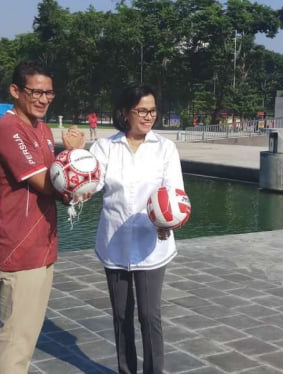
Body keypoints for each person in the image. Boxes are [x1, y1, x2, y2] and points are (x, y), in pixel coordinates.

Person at [0, 60, 84, 374]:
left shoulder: (40, 128)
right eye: (36, 92)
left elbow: (60, 179)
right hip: (19, 248)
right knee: (15, 339)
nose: (43, 99)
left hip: (43, 245)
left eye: (49, 93)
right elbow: (46, 182)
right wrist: (78, 166)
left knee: (28, 336)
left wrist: (71, 161)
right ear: (15, 91)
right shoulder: (7, 128)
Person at [89, 84, 184, 374]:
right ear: (125, 113)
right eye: (141, 110)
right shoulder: (106, 147)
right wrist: (74, 170)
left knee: (148, 314)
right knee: (121, 314)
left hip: (152, 242)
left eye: (152, 110)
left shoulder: (165, 148)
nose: (148, 116)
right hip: (114, 241)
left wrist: (168, 223)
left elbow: (176, 192)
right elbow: (90, 182)